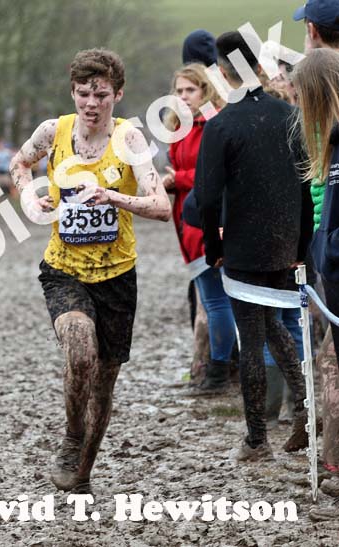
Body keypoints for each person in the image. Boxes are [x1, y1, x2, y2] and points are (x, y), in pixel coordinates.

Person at [10, 49, 171, 493]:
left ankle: (82, 473)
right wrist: (29, 198)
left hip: (117, 275)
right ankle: (71, 436)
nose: (91, 103)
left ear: (118, 94)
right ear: (73, 93)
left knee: (102, 383)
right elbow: (19, 164)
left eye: (101, 94)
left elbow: (161, 206)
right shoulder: (53, 131)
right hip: (64, 269)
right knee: (80, 350)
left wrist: (113, 196)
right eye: (83, 93)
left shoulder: (130, 140)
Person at [195, 31, 311, 461]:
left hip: (243, 245)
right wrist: (301, 245)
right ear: (259, 68)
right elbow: (305, 186)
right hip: (285, 241)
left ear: (222, 74)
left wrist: (212, 248)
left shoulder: (221, 125)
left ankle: (257, 439)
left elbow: (207, 198)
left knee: (253, 337)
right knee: (273, 324)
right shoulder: (290, 115)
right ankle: (304, 405)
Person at [293, 0, 339, 510]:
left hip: (329, 247)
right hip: (326, 244)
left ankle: (334, 464)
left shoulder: (318, 86)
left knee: (331, 361)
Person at [162, 64, 232, 393]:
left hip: (208, 223)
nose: (184, 96)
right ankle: (221, 366)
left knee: (217, 300)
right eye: (179, 91)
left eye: (190, 89)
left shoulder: (212, 124)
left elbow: (216, 174)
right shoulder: (180, 126)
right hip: (186, 220)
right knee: (212, 298)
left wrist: (177, 179)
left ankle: (220, 370)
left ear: (205, 90)